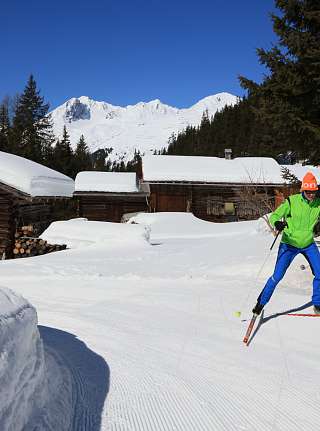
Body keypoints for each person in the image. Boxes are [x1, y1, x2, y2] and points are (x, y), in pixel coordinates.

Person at [253, 171, 320, 315]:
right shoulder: (292, 201)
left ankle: (318, 303)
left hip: (308, 244)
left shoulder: (318, 204)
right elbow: (275, 215)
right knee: (277, 276)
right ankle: (260, 302)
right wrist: (277, 223)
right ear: (303, 190)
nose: (311, 195)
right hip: (289, 244)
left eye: (314, 191)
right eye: (308, 191)